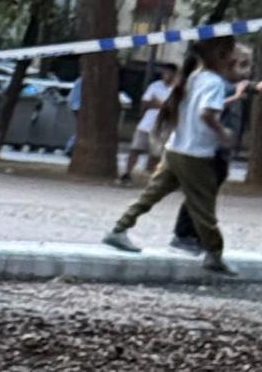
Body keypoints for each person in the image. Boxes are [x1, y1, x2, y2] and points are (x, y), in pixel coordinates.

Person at [102, 37, 242, 275]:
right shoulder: (215, 83)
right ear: (220, 55)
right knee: (203, 208)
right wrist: (223, 132)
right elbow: (207, 113)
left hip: (175, 149)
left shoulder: (192, 77)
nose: (234, 59)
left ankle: (118, 229)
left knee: (151, 194)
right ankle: (214, 255)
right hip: (196, 154)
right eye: (232, 54)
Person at [169, 44, 261, 253]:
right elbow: (209, 109)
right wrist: (236, 98)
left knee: (207, 193)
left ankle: (195, 234)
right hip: (208, 149)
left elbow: (251, 85)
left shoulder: (231, 84)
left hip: (220, 151)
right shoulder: (218, 85)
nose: (247, 71)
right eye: (242, 65)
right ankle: (183, 235)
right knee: (199, 193)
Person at [119, 63, 177, 184]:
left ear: (174, 74)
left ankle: (152, 178)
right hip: (147, 124)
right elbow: (145, 103)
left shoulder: (177, 90)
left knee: (156, 154)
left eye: (168, 73)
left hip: (163, 127)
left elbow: (174, 109)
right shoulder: (155, 86)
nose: (164, 75)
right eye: (164, 72)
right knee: (135, 149)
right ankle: (127, 174)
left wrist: (159, 105)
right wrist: (163, 106)